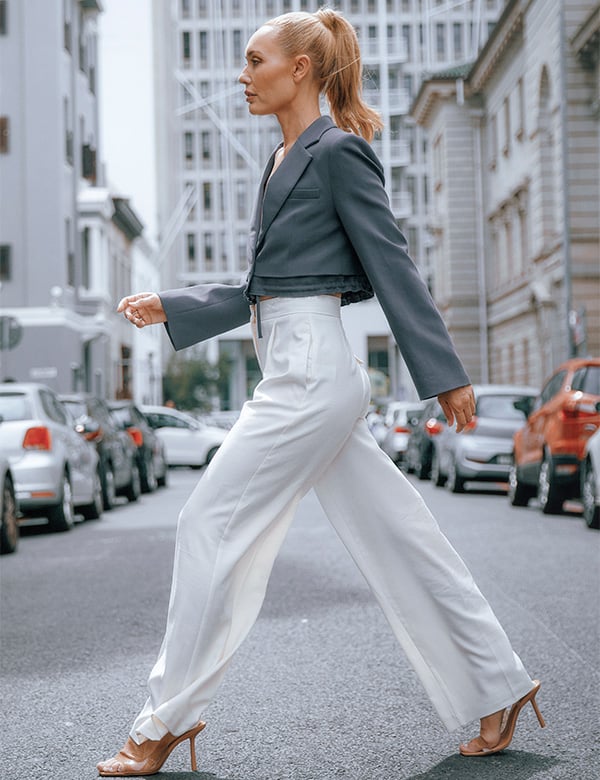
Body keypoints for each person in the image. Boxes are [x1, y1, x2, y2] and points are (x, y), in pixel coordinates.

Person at [97, 9, 544, 777]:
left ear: (300, 69)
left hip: (310, 372)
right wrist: (176, 302)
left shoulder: (339, 153)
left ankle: (165, 718)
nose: (243, 75)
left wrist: (446, 375)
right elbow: (263, 287)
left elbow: (391, 261)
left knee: (207, 521)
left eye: (255, 60)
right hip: (294, 364)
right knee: (401, 534)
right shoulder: (279, 161)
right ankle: (498, 685)